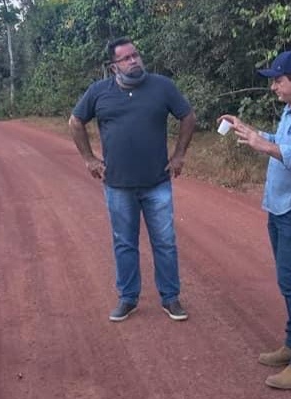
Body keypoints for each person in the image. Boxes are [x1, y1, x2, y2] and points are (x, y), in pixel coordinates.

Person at [220, 50, 291, 389]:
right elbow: (283, 143)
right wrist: (251, 133)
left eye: (278, 80)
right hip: (280, 206)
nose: (273, 86)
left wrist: (265, 147)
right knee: (287, 280)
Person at [69, 37, 196, 322]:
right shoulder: (99, 92)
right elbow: (75, 122)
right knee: (124, 243)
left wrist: (179, 155)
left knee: (165, 242)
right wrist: (89, 158)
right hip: (118, 185)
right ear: (114, 67)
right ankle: (128, 298)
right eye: (125, 58)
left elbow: (187, 116)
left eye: (135, 55)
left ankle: (170, 297)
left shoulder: (162, 86)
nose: (133, 61)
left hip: (157, 182)